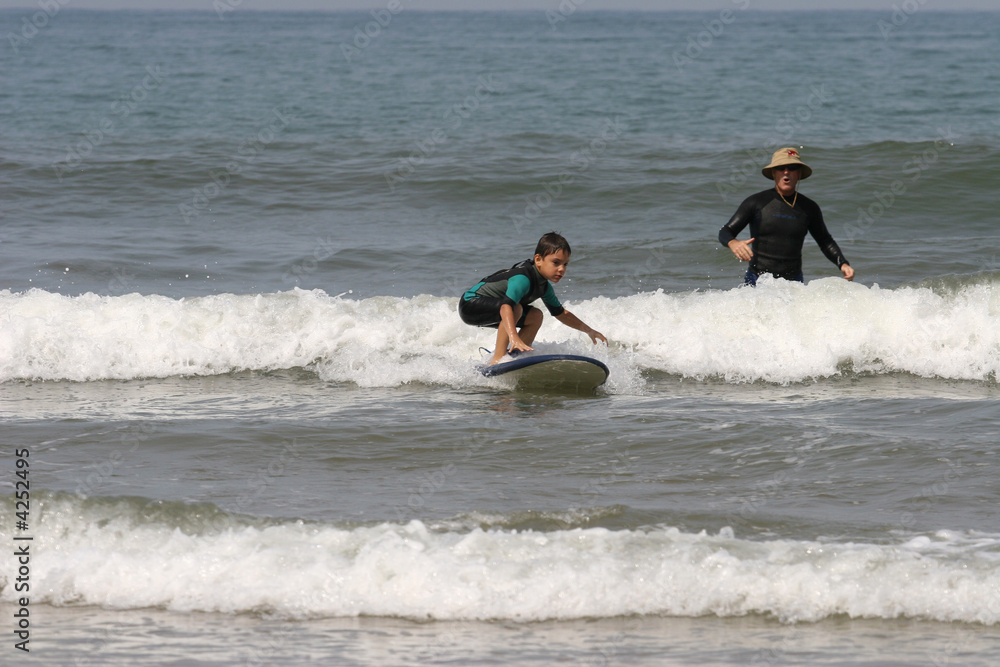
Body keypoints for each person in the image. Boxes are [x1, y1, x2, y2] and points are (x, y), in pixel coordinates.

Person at [459, 232, 607, 366]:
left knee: (536, 315)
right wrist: (514, 337)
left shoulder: (544, 287)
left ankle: (514, 357)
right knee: (515, 307)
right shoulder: (522, 278)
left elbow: (561, 313)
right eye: (556, 263)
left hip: (498, 308)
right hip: (470, 304)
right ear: (538, 260)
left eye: (565, 264)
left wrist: (589, 331)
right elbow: (506, 308)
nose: (562, 269)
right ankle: (497, 360)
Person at [719, 147, 855, 286]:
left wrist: (842, 263)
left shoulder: (809, 208)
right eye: (781, 167)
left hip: (793, 283)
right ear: (773, 173)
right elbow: (725, 231)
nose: (786, 171)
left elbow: (825, 241)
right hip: (757, 280)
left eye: (792, 167)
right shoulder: (756, 202)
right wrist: (733, 243)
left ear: (799, 173)